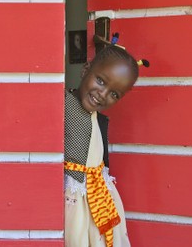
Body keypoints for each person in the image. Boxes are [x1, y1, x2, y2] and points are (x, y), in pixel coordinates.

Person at [64, 45, 141, 247]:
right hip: (74, 200)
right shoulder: (63, 105)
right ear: (85, 70)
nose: (102, 94)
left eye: (114, 94)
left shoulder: (99, 119)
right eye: (100, 80)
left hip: (98, 198)